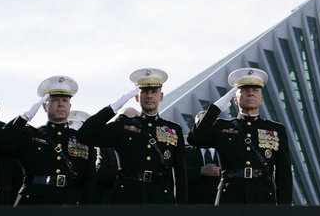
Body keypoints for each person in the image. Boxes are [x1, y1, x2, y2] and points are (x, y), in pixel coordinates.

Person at [77, 68, 187, 204]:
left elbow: (180, 175)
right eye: (145, 92)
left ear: (161, 96)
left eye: (154, 92)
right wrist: (113, 107)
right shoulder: (123, 127)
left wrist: (182, 207)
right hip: (128, 196)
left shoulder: (174, 130)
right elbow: (84, 135)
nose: (149, 96)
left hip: (161, 197)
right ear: (137, 97)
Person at [188, 68, 292, 205]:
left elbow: (284, 174)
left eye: (255, 90)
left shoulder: (276, 129)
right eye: (244, 90)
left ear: (261, 99)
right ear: (235, 99)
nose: (250, 93)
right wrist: (216, 108)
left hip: (263, 196)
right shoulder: (222, 127)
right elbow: (195, 138)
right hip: (230, 196)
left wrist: (285, 209)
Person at [0, 76, 96, 206]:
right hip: (34, 202)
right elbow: (2, 143)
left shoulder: (82, 140)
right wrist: (24, 117)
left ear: (70, 106)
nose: (60, 104)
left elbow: (90, 181)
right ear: (44, 106)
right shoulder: (30, 135)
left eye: (64, 101)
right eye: (55, 100)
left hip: (70, 203)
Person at [185, 111, 221, 204]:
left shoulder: (226, 151)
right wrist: (200, 171)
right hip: (193, 204)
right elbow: (177, 173)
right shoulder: (184, 152)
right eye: (200, 124)